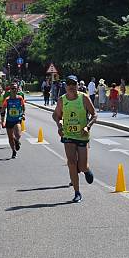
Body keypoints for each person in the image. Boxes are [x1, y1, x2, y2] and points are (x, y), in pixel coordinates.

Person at [52, 75, 96, 203]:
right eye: (69, 84)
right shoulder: (62, 100)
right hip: (68, 135)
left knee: (81, 166)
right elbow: (56, 115)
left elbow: (94, 115)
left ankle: (86, 170)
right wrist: (59, 124)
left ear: (78, 85)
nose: (71, 86)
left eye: (74, 84)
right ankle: (77, 192)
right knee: (71, 163)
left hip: (82, 135)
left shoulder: (84, 98)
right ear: (65, 86)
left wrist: (88, 126)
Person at [1, 82, 25, 159]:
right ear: (9, 90)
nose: (14, 90)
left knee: (18, 135)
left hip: (17, 119)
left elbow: (23, 107)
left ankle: (17, 141)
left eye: (15, 88)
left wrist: (23, 114)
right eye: (12, 88)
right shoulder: (7, 100)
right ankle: (13, 151)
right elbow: (3, 110)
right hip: (9, 120)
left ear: (17, 89)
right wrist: (2, 121)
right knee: (10, 138)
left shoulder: (20, 98)